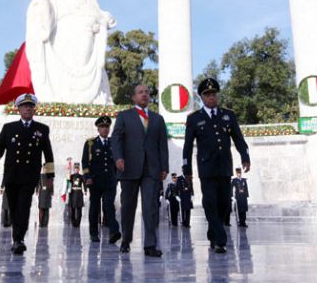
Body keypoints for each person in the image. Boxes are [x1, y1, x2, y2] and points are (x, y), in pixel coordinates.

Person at [25, 0, 116, 104]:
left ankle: (84, 102)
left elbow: (96, 11)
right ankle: (61, 100)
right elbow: (45, 6)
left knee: (82, 62)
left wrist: (104, 19)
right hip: (63, 31)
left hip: (84, 31)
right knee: (62, 68)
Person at [183, 78, 251, 254]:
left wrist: (245, 156)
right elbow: (188, 147)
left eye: (213, 94)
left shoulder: (228, 115)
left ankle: (213, 233)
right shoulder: (194, 119)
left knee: (225, 204)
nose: (211, 98)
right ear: (202, 98)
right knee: (210, 202)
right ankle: (220, 240)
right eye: (207, 95)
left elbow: (238, 138)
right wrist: (187, 170)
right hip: (206, 169)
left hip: (224, 167)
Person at [0, 93, 55, 255]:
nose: (27, 108)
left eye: (30, 106)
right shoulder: (9, 128)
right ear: (18, 109)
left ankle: (19, 239)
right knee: (13, 207)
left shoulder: (42, 129)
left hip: (29, 175)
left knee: (24, 207)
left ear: (34, 110)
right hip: (12, 174)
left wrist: (50, 177)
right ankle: (16, 236)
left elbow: (48, 153)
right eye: (24, 106)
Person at [111, 84, 169, 257]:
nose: (144, 95)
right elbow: (116, 138)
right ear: (134, 97)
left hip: (151, 170)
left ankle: (150, 244)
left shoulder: (158, 119)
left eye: (146, 92)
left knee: (150, 207)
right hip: (128, 168)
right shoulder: (124, 116)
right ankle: (126, 240)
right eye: (140, 92)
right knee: (128, 206)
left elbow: (162, 145)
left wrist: (164, 166)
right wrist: (118, 158)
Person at [81, 115, 121, 244]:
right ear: (98, 129)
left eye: (107, 127)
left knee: (109, 206)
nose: (105, 129)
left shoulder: (113, 143)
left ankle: (114, 231)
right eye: (102, 127)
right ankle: (94, 233)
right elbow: (85, 162)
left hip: (110, 181)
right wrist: (87, 177)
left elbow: (118, 161)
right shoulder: (90, 143)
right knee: (94, 207)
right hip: (95, 181)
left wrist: (117, 177)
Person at [68, 163, 86, 227]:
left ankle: (78, 223)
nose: (76, 170)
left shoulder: (81, 176)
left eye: (77, 168)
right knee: (72, 209)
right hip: (72, 194)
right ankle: (73, 223)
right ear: (74, 169)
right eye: (75, 169)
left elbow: (84, 184)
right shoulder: (71, 176)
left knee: (79, 210)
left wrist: (85, 190)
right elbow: (68, 182)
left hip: (79, 194)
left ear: (79, 169)